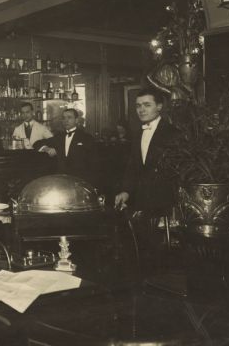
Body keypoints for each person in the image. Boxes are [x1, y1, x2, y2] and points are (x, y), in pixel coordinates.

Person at [114, 88, 179, 274]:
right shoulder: (137, 134)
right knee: (142, 251)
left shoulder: (173, 133)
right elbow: (133, 167)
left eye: (147, 105)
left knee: (162, 254)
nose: (141, 110)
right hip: (141, 200)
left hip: (164, 202)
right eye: (138, 106)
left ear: (159, 106)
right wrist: (126, 191)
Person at [33, 108, 98, 186]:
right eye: (64, 118)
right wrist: (47, 149)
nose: (66, 120)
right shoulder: (59, 137)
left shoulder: (86, 137)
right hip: (61, 179)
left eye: (69, 117)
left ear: (76, 120)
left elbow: (93, 163)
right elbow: (37, 143)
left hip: (80, 180)